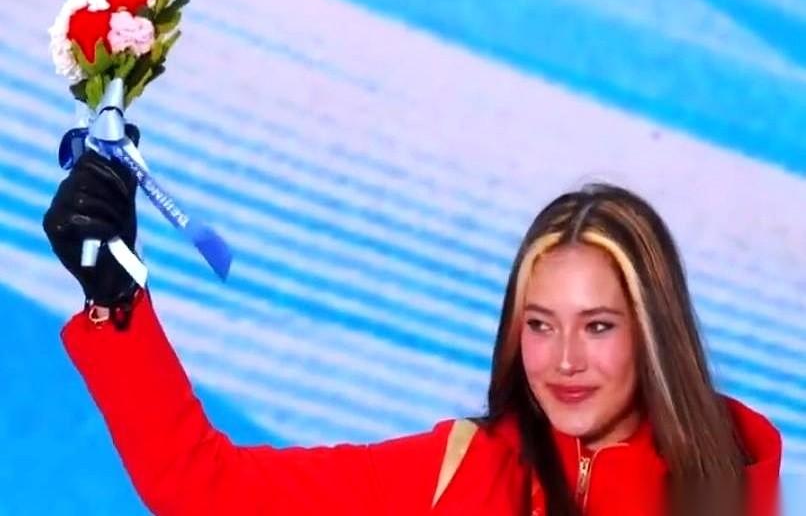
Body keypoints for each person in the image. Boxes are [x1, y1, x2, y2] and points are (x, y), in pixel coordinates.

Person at [43, 148, 782, 516]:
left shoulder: (732, 488)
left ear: (653, 332)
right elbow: (208, 490)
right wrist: (115, 299)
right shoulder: (461, 473)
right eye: (539, 324)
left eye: (598, 326)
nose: (564, 360)